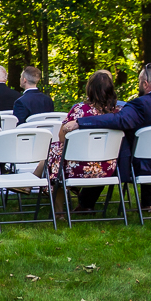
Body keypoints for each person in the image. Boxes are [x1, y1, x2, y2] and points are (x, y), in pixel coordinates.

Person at [61, 63, 151, 211]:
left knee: (105, 153)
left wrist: (80, 122)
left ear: (145, 83)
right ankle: (146, 204)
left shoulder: (140, 105)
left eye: (139, 82)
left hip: (140, 166)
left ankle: (85, 205)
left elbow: (118, 120)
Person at [38, 71, 119, 215]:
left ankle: (59, 211)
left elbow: (62, 137)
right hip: (106, 168)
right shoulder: (117, 113)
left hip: (78, 168)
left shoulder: (79, 110)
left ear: (90, 89)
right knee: (58, 153)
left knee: (56, 150)